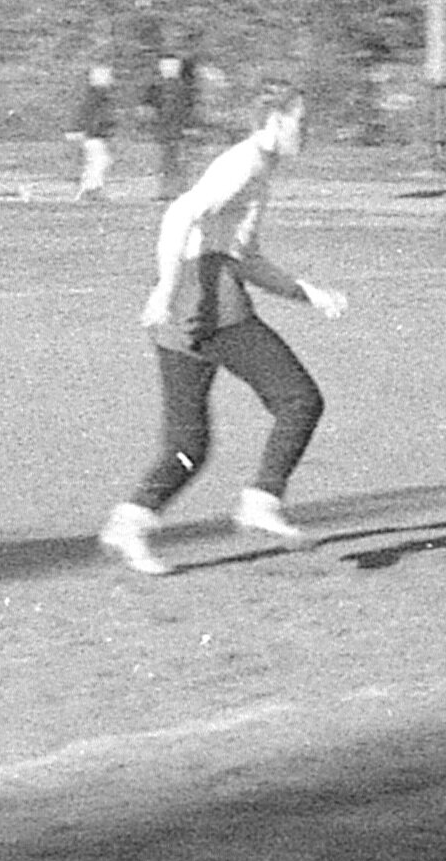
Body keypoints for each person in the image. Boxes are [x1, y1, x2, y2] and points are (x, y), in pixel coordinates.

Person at [99, 82, 348, 577]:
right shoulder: (246, 163)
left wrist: (307, 293)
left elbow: (245, 257)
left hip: (190, 309)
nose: (306, 130)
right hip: (207, 302)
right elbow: (180, 212)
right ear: (275, 121)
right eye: (301, 121)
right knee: (299, 400)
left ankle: (127, 524)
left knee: (188, 446)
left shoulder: (259, 168)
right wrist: (166, 287)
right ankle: (261, 500)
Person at [142, 53, 197, 197]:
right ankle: (170, 189)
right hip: (169, 131)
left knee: (172, 160)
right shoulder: (167, 87)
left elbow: (183, 109)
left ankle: (173, 189)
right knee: (169, 160)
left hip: (172, 131)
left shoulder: (177, 88)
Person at [69, 63, 119, 200]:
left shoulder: (95, 98)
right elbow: (97, 117)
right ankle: (90, 189)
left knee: (98, 161)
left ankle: (91, 188)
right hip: (94, 136)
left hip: (94, 135)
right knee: (99, 161)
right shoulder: (99, 98)